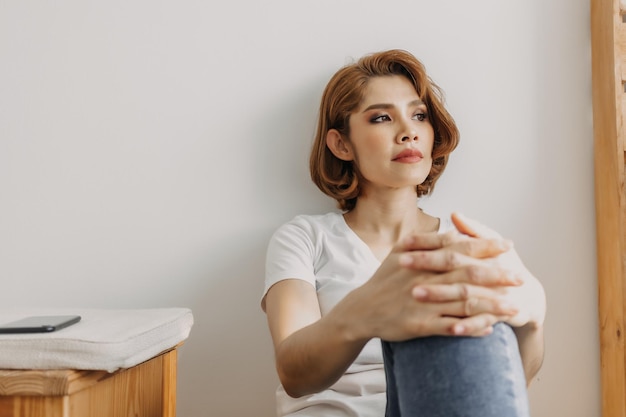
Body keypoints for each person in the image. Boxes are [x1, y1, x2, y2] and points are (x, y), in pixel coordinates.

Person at [261, 49, 546, 417]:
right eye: (381, 117)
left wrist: (533, 319)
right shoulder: (304, 238)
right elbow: (293, 372)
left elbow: (503, 384)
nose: (409, 131)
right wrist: (369, 312)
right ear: (341, 144)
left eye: (419, 115)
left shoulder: (464, 242)